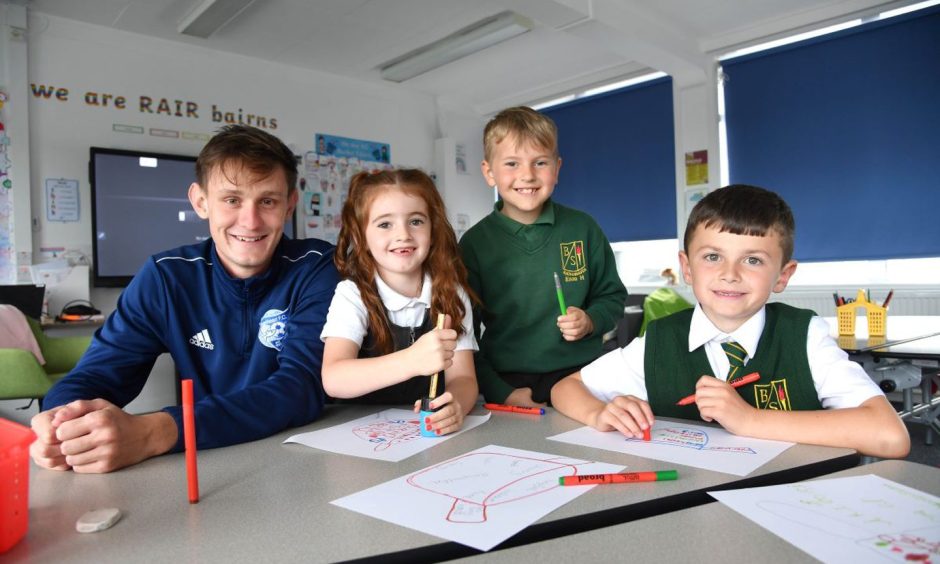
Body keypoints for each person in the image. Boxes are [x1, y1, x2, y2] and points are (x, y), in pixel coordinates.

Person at [30, 125, 340, 473]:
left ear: (289, 205)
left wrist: (154, 432)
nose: (250, 222)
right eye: (232, 200)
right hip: (213, 459)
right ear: (200, 201)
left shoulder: (319, 268)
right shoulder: (165, 277)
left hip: (308, 458)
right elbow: (95, 376)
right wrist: (62, 420)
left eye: (267, 201)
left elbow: (299, 388)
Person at [552, 185, 910, 458]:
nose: (730, 274)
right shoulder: (659, 341)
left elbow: (891, 436)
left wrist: (750, 419)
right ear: (687, 268)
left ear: (783, 276)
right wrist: (599, 414)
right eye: (712, 257)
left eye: (753, 260)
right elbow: (563, 389)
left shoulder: (805, 337)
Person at [459, 106, 627, 407]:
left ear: (557, 168)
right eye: (512, 163)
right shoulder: (473, 245)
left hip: (581, 376)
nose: (527, 175)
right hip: (507, 381)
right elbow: (464, 334)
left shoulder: (582, 228)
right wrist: (501, 391)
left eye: (540, 162)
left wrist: (590, 320)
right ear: (489, 172)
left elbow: (612, 297)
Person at [320, 169, 478, 435]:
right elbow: (334, 378)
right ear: (361, 237)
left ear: (433, 228)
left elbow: (463, 378)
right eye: (384, 224)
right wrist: (412, 360)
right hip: (359, 436)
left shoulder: (452, 293)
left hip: (425, 437)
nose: (403, 234)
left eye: (416, 221)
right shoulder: (352, 294)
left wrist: (457, 405)